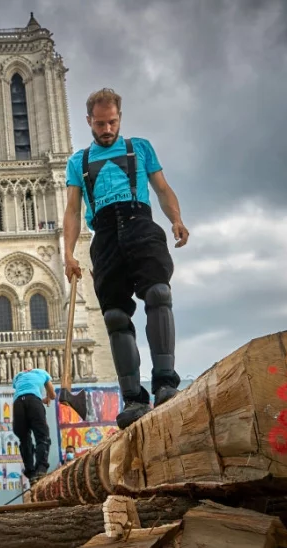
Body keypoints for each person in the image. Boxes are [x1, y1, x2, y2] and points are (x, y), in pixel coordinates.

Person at [63, 88, 190, 430]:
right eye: (100, 123)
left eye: (112, 122)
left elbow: (162, 189)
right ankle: (134, 399)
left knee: (159, 294)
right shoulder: (78, 162)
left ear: (120, 117)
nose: (107, 129)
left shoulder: (141, 148)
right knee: (116, 316)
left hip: (140, 223)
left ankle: (165, 383)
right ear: (89, 121)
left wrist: (176, 218)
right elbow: (73, 211)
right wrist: (68, 253)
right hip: (104, 235)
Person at [11, 368, 56, 484]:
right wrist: (47, 399)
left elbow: (24, 392)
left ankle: (31, 473)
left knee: (24, 439)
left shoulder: (18, 376)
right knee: (42, 436)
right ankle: (41, 469)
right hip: (34, 402)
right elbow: (53, 395)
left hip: (18, 403)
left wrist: (41, 400)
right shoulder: (43, 373)